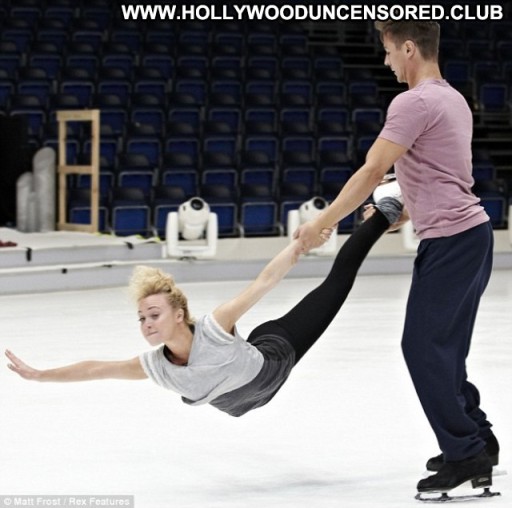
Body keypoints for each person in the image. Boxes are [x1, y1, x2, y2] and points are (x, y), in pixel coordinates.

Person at [294, 21, 498, 496]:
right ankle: (478, 438)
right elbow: (442, 172)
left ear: (409, 48)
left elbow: (372, 171)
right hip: (471, 235)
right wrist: (408, 211)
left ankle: (465, 453)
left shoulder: (413, 102)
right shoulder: (453, 99)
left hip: (451, 241)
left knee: (422, 349)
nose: (386, 62)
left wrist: (323, 221)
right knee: (445, 350)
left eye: (388, 52)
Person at [6, 193, 402, 418]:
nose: (146, 323)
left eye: (154, 314)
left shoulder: (215, 326)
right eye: (142, 318)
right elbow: (96, 368)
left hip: (275, 353)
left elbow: (265, 281)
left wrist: (300, 244)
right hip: (249, 393)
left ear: (180, 314)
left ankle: (383, 213)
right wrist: (41, 376)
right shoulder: (157, 366)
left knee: (336, 284)